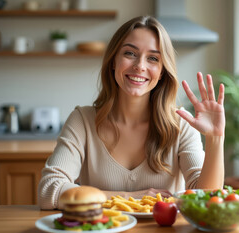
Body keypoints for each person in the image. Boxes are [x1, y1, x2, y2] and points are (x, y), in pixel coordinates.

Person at [38, 16, 225, 210]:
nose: (140, 66)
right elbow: (48, 191)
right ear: (113, 61)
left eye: (153, 58)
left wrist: (215, 138)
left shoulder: (182, 124)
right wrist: (129, 197)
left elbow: (207, 198)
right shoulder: (82, 121)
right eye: (130, 53)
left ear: (162, 72)